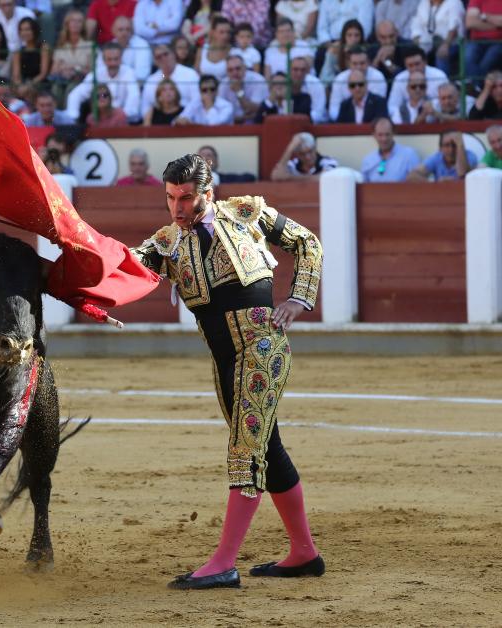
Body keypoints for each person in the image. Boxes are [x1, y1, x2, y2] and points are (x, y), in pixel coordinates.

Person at [131, 154, 324, 590]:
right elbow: (123, 266)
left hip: (261, 347)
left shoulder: (245, 212)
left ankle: (224, 562)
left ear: (207, 192)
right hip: (224, 362)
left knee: (244, 450)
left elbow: (306, 243)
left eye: (185, 198)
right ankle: (304, 552)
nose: (177, 208)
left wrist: (300, 297)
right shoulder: (166, 243)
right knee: (266, 450)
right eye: (170, 198)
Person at [66, 41, 141, 122]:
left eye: (116, 59)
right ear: (103, 60)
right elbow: (76, 95)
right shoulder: (97, 73)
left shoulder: (129, 72)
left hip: (122, 120)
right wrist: (73, 118)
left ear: (121, 58)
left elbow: (134, 96)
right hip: (99, 120)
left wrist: (121, 116)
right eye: (109, 59)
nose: (113, 63)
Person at [328, 47, 388, 122]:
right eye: (355, 64)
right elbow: (334, 110)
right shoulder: (339, 80)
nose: (359, 67)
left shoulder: (378, 77)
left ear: (368, 63)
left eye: (362, 63)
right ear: (349, 64)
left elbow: (379, 107)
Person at [140, 43, 200, 120]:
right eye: (158, 57)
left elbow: (197, 99)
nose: (163, 58)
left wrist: (183, 117)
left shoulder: (190, 74)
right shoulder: (151, 80)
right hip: (159, 123)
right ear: (155, 62)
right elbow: (146, 106)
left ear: (174, 54)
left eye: (165, 54)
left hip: (186, 122)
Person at [49, 9, 93, 106]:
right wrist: (64, 70)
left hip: (82, 81)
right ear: (67, 24)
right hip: (63, 80)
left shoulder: (90, 46)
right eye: (73, 20)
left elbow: (92, 71)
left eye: (79, 21)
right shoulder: (61, 46)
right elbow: (53, 71)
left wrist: (75, 70)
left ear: (83, 25)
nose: (76, 24)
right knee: (56, 88)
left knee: (71, 88)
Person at [409, 0, 464, 75]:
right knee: (415, 55)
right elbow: (416, 24)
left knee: (441, 54)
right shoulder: (423, 3)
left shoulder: (454, 2)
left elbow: (454, 26)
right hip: (428, 42)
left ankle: (443, 83)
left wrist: (446, 45)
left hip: (451, 43)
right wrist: (417, 43)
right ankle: (419, 80)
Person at [387, 46, 447, 113]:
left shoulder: (439, 76)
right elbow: (393, 106)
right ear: (405, 66)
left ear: (425, 62)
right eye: (410, 65)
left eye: (417, 64)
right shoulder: (399, 79)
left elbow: (446, 101)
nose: (414, 68)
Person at [361, 117, 421, 182]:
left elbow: (418, 184)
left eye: (387, 134)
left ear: (393, 133)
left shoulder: (409, 155)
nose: (384, 139)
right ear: (374, 135)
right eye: (380, 135)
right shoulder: (368, 160)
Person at [95, 15, 152, 82]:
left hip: (136, 85)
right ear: (113, 31)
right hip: (110, 85)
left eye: (127, 29)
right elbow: (99, 70)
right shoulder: (110, 45)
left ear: (132, 31)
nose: (124, 33)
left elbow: (142, 75)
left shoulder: (142, 45)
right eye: (120, 29)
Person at [407, 130, 476, 181]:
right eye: (447, 145)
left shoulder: (470, 155)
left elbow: (462, 173)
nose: (451, 149)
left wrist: (460, 145)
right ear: (440, 148)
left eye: (454, 145)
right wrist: (435, 183)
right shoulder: (437, 157)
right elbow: (412, 176)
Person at [218, 53, 269, 123]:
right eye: (230, 70)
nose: (234, 73)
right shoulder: (223, 84)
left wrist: (239, 92)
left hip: (255, 124)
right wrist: (241, 118)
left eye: (238, 68)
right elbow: (219, 113)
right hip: (231, 125)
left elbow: (256, 110)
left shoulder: (258, 80)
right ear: (226, 72)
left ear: (245, 68)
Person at [464, 0, 502, 90]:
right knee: (467, 56)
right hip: (476, 41)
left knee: (487, 61)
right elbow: (470, 22)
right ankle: (477, 88)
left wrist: (484, 16)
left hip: (498, 41)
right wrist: (497, 26)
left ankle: (477, 88)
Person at [270, 132, 338, 180]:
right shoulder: (293, 164)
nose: (307, 157)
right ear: (297, 154)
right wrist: (290, 149)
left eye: (310, 151)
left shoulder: (328, 161)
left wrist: (290, 178)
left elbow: (323, 178)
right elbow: (275, 176)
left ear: (314, 148)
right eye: (302, 154)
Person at [11, 17, 50, 98]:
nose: (24, 32)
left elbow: (43, 73)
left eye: (27, 29)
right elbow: (16, 75)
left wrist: (28, 86)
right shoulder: (18, 51)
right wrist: (20, 86)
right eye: (22, 30)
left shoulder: (43, 47)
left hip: (39, 84)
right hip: (22, 85)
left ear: (34, 30)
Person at [318, 19, 365, 86]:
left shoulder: (365, 51)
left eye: (357, 35)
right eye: (349, 35)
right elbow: (326, 76)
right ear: (344, 36)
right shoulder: (335, 50)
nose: (353, 39)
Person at [195, 16, 237, 82]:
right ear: (213, 32)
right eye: (221, 32)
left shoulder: (234, 52)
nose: (225, 36)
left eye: (228, 32)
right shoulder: (202, 50)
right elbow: (196, 73)